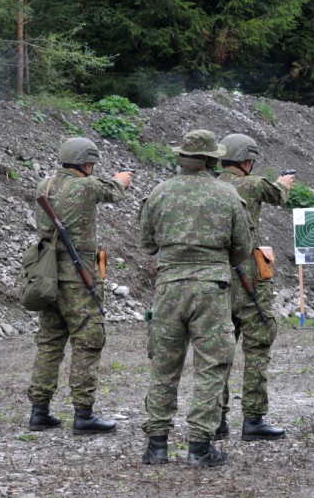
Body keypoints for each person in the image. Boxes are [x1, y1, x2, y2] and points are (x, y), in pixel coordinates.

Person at [140, 130, 252, 467]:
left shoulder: (158, 193)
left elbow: (147, 243)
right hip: (212, 289)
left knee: (163, 365)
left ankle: (156, 445)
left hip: (169, 287)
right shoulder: (227, 193)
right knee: (211, 366)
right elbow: (242, 248)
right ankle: (199, 446)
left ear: (182, 156)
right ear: (212, 158)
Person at [26, 137, 132, 435]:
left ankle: (39, 410)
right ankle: (83, 413)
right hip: (77, 272)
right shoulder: (86, 185)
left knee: (50, 340)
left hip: (47, 272)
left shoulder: (44, 185)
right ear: (86, 163)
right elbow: (113, 192)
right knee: (87, 340)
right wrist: (120, 180)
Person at [215, 133, 293, 441]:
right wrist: (285, 183)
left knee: (219, 349)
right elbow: (278, 195)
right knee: (258, 345)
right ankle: (254, 419)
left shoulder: (210, 185)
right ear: (247, 160)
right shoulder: (253, 183)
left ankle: (216, 419)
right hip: (249, 274)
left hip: (217, 275)